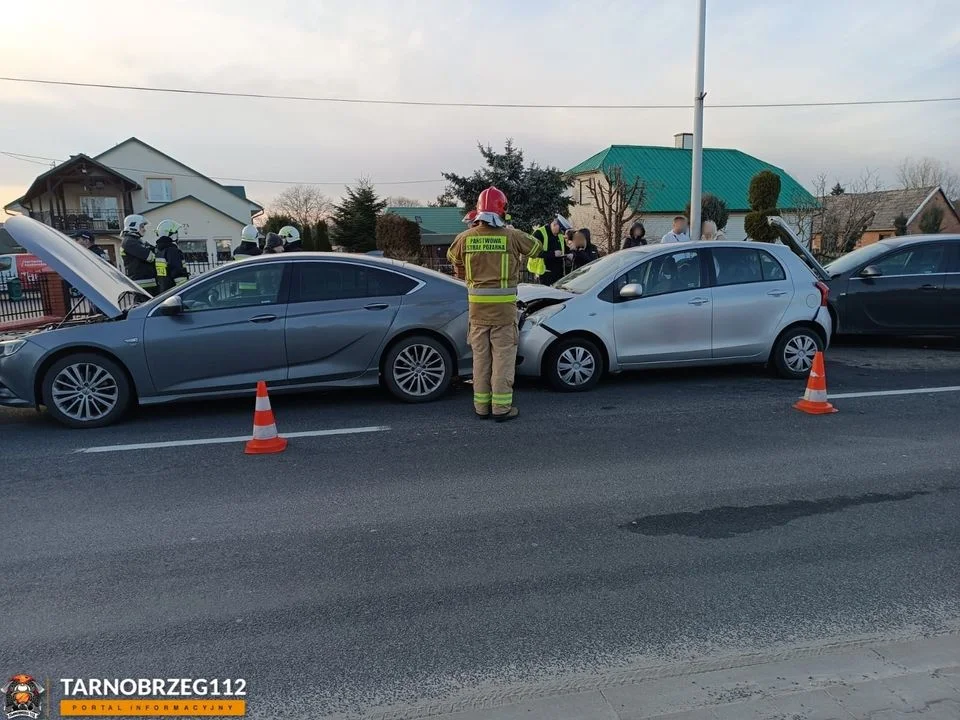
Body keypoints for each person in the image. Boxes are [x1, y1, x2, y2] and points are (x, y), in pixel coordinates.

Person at [446, 186, 542, 422]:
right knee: (503, 359)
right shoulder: (511, 236)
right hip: (503, 313)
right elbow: (538, 248)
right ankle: (501, 408)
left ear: (478, 212)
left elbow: (453, 260)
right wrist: (512, 229)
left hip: (477, 313)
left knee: (480, 360)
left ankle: (481, 407)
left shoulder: (464, 238)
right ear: (502, 210)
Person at [120, 214, 158, 295]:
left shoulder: (137, 241)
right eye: (142, 226)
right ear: (134, 225)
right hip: (142, 284)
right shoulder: (129, 242)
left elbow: (154, 250)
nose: (144, 229)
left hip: (147, 282)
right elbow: (150, 257)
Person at [530, 214, 572, 285]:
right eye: (561, 230)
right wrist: (553, 254)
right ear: (555, 224)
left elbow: (564, 249)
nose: (561, 233)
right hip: (543, 273)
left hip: (558, 273)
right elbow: (533, 251)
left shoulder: (559, 235)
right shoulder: (539, 233)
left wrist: (570, 252)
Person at [153, 219, 190, 292]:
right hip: (175, 290)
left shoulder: (159, 250)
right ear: (169, 234)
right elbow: (177, 272)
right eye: (175, 232)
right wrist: (184, 288)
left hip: (164, 290)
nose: (177, 235)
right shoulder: (172, 251)